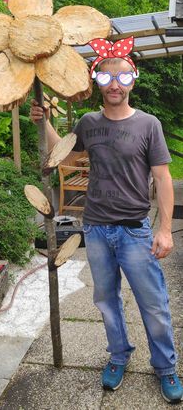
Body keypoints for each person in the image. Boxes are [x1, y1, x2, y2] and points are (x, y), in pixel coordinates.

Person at [30, 53, 183, 404]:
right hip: (96, 228)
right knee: (106, 300)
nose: (115, 84)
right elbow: (66, 157)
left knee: (154, 302)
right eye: (106, 78)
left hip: (134, 231)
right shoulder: (87, 122)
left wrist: (163, 230)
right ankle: (118, 355)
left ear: (134, 81)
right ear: (97, 81)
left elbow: (162, 178)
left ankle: (165, 367)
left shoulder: (148, 124)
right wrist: (46, 123)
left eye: (124, 78)